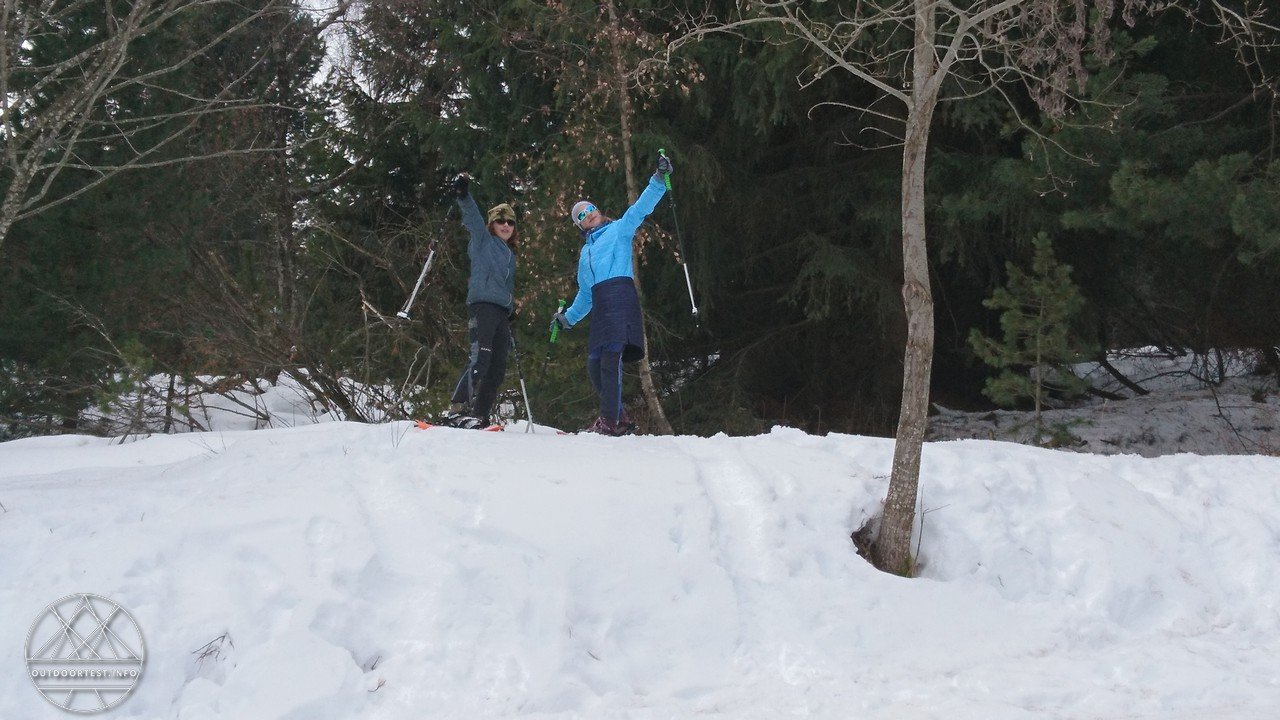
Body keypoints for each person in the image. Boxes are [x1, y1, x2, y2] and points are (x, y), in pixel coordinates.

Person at [551, 153, 673, 435]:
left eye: (590, 208)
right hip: (601, 303)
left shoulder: (619, 229)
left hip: (619, 295)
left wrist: (658, 180)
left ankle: (607, 422)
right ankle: (621, 418)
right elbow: (585, 295)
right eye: (581, 215)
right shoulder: (585, 255)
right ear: (579, 225)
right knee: (595, 364)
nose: (588, 213)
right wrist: (566, 319)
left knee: (610, 358)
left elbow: (639, 209)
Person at [442, 174, 518, 429]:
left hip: (500, 313)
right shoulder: (482, 241)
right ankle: (457, 408)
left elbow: (504, 286)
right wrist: (464, 195)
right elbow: (473, 218)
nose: (506, 225)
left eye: (510, 222)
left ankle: (479, 413)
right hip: (483, 307)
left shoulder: (509, 255)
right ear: (492, 225)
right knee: (480, 358)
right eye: (500, 222)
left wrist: (510, 306)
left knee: (497, 368)